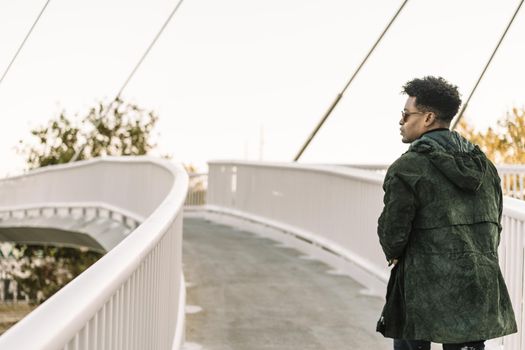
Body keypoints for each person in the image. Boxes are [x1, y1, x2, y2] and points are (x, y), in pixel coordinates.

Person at [376, 76, 517, 350]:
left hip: (421, 288)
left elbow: (393, 234)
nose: (401, 121)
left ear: (427, 118)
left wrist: (392, 251)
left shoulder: (408, 167)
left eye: (406, 114)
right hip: (478, 284)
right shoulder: (485, 167)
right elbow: (494, 226)